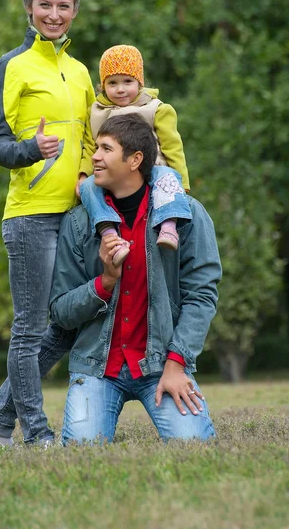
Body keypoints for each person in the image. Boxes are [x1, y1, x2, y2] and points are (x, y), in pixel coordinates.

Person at [0, 0, 95, 447]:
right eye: (45, 4)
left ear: (74, 12)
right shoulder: (12, 66)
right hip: (30, 216)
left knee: (66, 322)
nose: (54, 14)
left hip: (77, 215)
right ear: (29, 7)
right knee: (30, 329)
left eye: (63, 6)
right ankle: (36, 433)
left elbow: (89, 135)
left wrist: (85, 173)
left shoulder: (81, 72)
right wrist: (31, 151)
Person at [49, 113, 222, 444]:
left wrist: (176, 364)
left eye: (105, 149)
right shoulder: (77, 222)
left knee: (193, 447)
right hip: (97, 367)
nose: (94, 157)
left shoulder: (186, 215)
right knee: (82, 452)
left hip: (162, 365)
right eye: (95, 148)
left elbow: (201, 296)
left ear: (135, 160)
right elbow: (60, 311)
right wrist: (106, 282)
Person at [79, 44, 192, 267]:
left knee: (165, 179)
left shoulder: (155, 109)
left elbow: (173, 146)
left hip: (153, 166)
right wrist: (84, 174)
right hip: (114, 173)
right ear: (102, 86)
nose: (120, 89)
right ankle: (109, 232)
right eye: (112, 83)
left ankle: (168, 226)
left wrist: (182, 181)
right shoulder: (96, 112)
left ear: (139, 82)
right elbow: (89, 145)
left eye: (127, 82)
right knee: (88, 188)